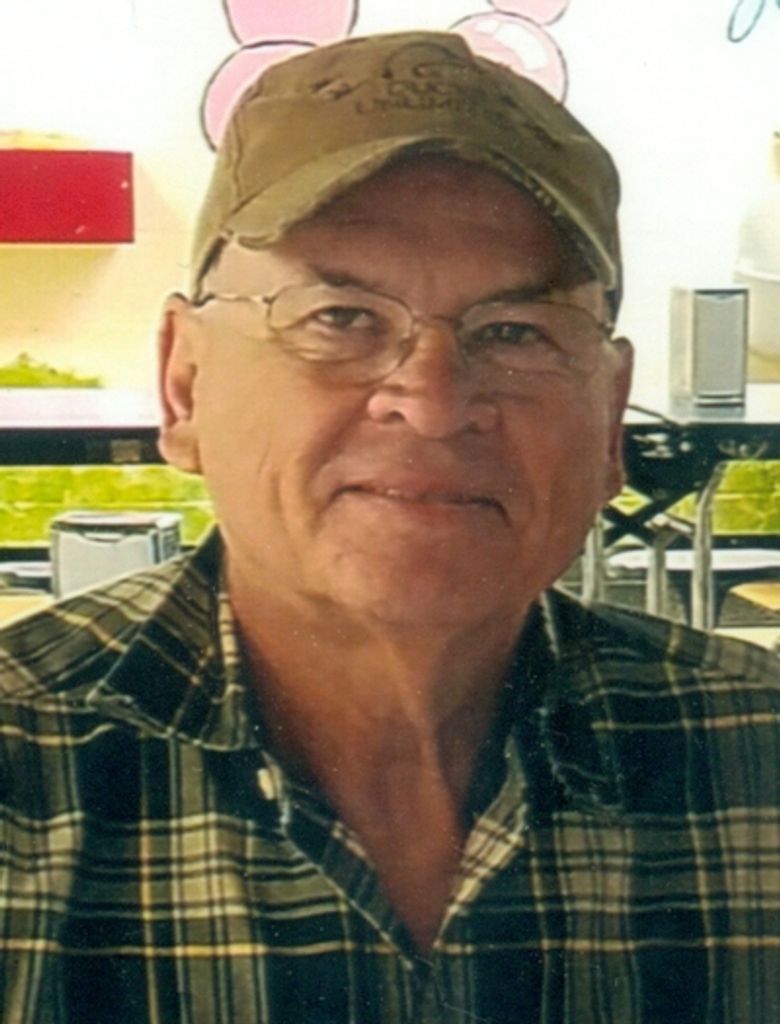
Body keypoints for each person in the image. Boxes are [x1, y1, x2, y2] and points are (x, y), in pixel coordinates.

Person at [1, 30, 779, 1024]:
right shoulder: (24, 778)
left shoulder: (755, 759)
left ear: (612, 415)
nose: (433, 402)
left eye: (515, 332)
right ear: (184, 381)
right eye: (340, 317)